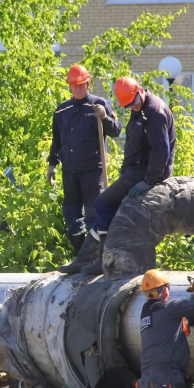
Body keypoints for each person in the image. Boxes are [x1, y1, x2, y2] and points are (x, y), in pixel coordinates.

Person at [59, 76, 177, 275]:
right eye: (128, 106)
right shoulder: (140, 107)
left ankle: (101, 260)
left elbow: (160, 151)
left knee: (102, 203)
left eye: (133, 103)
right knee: (107, 206)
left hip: (148, 172)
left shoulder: (154, 112)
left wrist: (148, 181)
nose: (132, 107)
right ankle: (85, 259)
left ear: (139, 91)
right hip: (137, 169)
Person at [47, 64, 122, 255]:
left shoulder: (99, 104)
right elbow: (56, 140)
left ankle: (95, 256)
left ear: (88, 84)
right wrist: (52, 165)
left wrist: (105, 118)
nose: (79, 88)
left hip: (93, 171)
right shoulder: (62, 111)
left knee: (93, 214)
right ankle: (79, 254)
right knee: (72, 215)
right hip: (70, 171)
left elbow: (116, 131)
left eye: (82, 84)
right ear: (69, 87)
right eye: (75, 85)